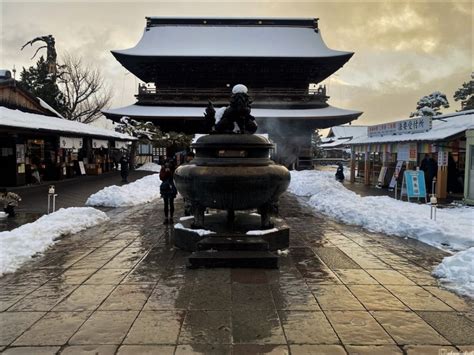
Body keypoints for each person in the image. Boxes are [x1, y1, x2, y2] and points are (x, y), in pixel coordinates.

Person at [160, 159, 177, 224]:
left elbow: (174, 177)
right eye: (166, 163)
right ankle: (166, 218)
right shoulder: (163, 169)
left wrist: (170, 172)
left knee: (171, 203)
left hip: (171, 187)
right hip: (165, 187)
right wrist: (166, 172)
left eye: (168, 163)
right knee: (166, 203)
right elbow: (161, 178)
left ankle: (171, 218)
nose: (167, 164)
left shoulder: (173, 168)